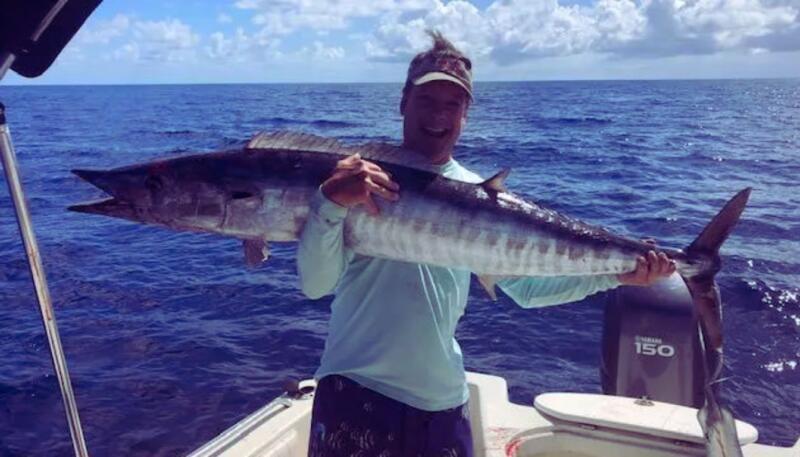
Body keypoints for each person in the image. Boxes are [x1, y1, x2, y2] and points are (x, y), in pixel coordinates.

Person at [297, 31, 674, 457]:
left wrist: (615, 276)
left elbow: (526, 290)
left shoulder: (477, 193)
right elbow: (316, 283)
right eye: (427, 99)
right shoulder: (354, 179)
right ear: (403, 102)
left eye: (452, 104)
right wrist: (329, 202)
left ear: (466, 115)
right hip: (354, 388)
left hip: (442, 401)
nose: (438, 114)